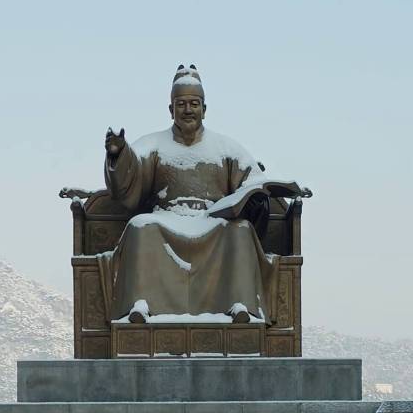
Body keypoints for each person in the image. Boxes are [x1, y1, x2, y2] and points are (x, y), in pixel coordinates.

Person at [100, 64, 307, 324]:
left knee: (240, 230)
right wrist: (119, 154)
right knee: (140, 226)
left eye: (194, 104)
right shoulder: (153, 144)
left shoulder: (226, 147)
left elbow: (253, 180)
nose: (188, 110)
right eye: (182, 104)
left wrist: (257, 193)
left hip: (213, 221)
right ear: (171, 109)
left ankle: (240, 306)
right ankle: (141, 306)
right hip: (167, 217)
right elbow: (130, 175)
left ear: (204, 110)